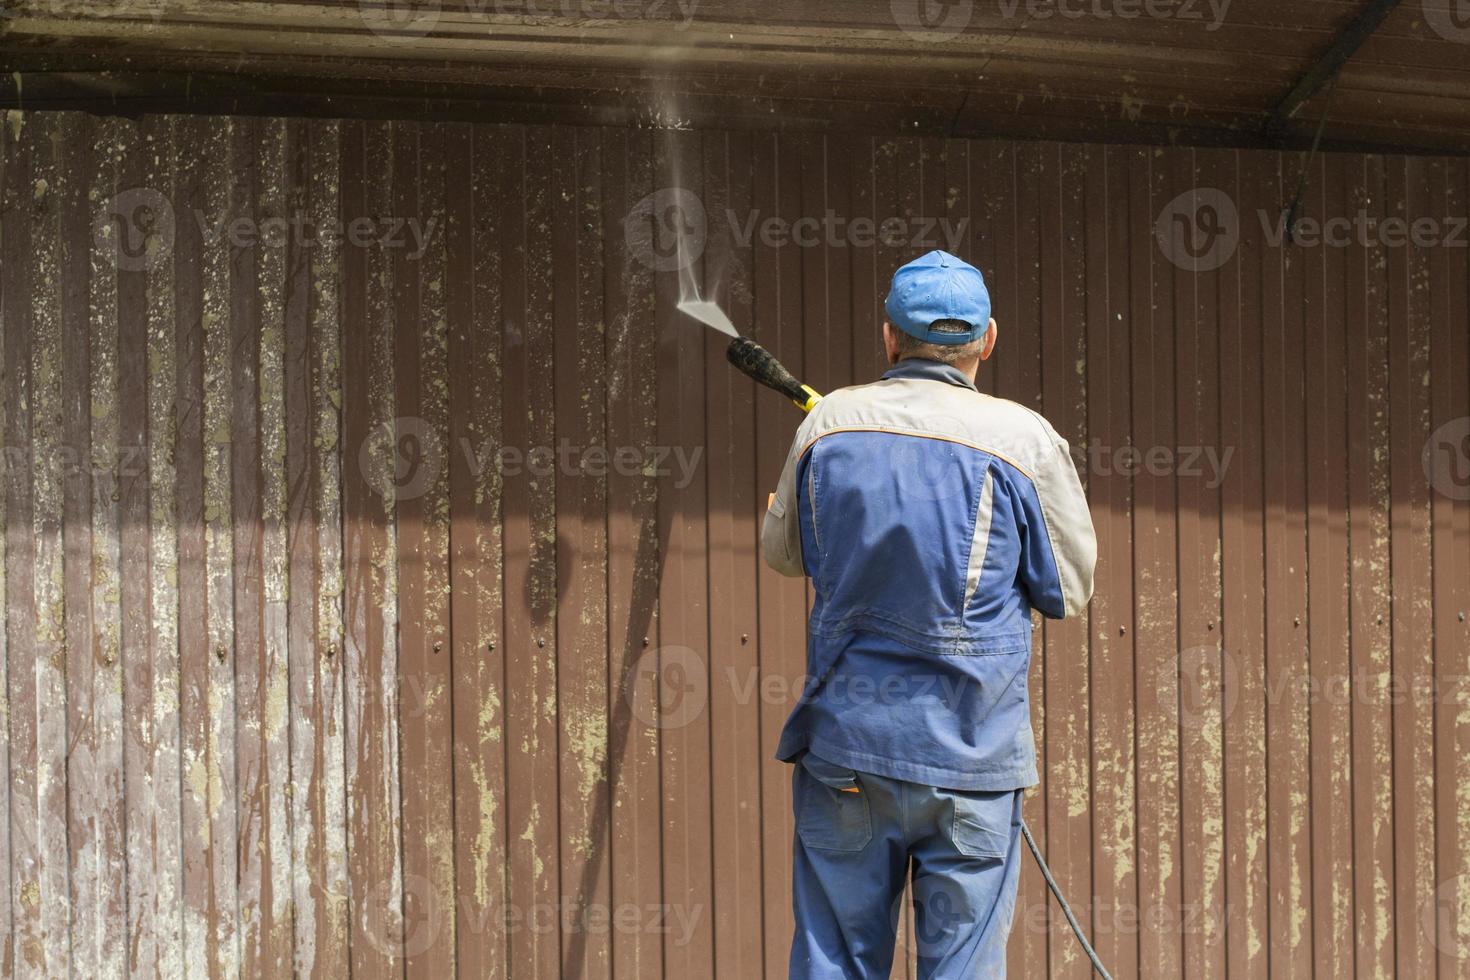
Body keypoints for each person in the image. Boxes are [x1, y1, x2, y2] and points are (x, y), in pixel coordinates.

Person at [762, 249, 1096, 979]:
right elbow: (1068, 592)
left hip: (847, 749)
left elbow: (783, 554)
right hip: (971, 760)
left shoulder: (829, 426)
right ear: (988, 339)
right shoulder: (1024, 440)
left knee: (835, 964)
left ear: (888, 337)